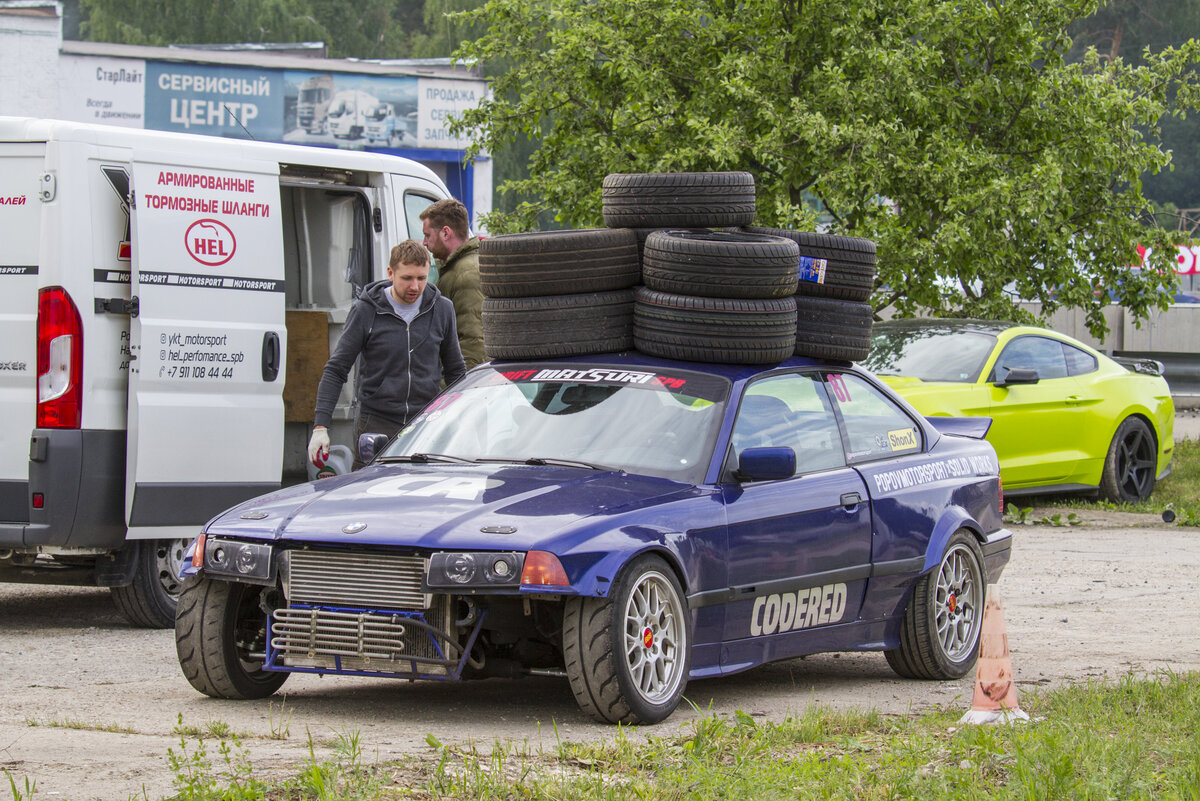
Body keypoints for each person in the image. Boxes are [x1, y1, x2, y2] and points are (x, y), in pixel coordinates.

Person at [308, 239, 466, 470]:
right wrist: (320, 427)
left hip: (425, 423)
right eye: (407, 278)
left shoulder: (442, 309)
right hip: (377, 422)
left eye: (421, 278)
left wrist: (461, 418)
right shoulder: (366, 310)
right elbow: (336, 369)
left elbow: (456, 370)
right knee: (369, 497)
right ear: (391, 273)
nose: (415, 286)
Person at [420, 198, 485, 369]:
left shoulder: (467, 274)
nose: (424, 243)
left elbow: (473, 344)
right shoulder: (456, 269)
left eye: (427, 235)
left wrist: (445, 389)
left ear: (446, 233)